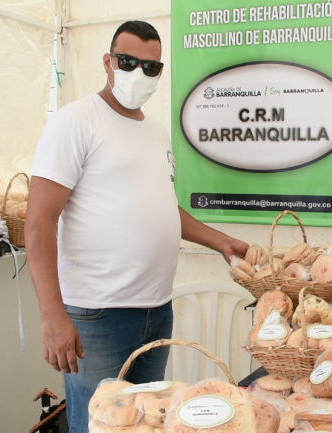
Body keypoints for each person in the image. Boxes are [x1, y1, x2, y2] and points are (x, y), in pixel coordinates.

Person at [25, 21, 248, 433]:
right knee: (97, 426)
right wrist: (52, 316)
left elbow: (163, 208)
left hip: (156, 310)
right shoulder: (76, 121)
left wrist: (222, 241)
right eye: (128, 62)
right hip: (97, 317)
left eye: (150, 67)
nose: (138, 73)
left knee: (147, 424)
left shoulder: (155, 131)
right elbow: (38, 224)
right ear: (107, 62)